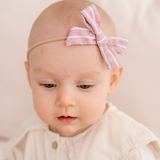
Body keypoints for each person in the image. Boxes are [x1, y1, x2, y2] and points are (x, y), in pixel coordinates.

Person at [4, 0, 160, 159]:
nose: (65, 100)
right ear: (30, 78)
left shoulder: (131, 149)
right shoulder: (28, 137)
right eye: (48, 84)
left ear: (112, 81)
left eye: (85, 86)